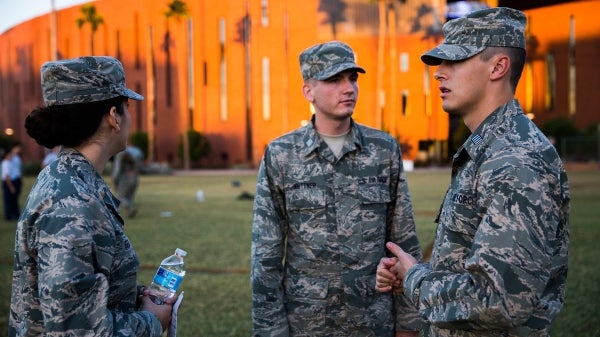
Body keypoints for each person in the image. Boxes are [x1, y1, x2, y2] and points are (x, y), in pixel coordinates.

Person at [375, 7, 571, 337]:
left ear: (498, 67)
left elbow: (498, 300)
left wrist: (414, 279)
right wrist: (413, 274)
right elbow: (475, 267)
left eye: (455, 61)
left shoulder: (514, 160)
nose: (439, 73)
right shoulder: (491, 149)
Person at [251, 40, 423, 337]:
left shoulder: (382, 149)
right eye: (334, 80)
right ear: (308, 91)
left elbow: (404, 241)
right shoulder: (282, 154)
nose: (349, 88)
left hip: (373, 320)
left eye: (352, 78)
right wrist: (270, 330)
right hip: (308, 323)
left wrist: (408, 324)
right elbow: (266, 257)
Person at [9, 56, 174, 337]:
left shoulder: (72, 181)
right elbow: (75, 329)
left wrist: (132, 296)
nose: (130, 117)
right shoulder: (71, 203)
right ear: (113, 116)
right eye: (127, 107)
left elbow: (77, 289)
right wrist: (151, 321)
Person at [112, 144, 143, 217]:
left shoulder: (119, 155)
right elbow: (138, 167)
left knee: (121, 197)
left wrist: (115, 181)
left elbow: (117, 171)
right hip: (134, 179)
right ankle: (130, 212)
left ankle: (130, 208)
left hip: (125, 180)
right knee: (130, 197)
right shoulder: (132, 156)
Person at [2, 144, 21, 220]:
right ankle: (9, 215)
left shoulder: (8, 162)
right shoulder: (5, 163)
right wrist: (11, 186)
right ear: (7, 155)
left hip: (11, 182)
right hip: (8, 183)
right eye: (10, 155)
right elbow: (6, 177)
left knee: (13, 199)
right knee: (8, 199)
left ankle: (14, 213)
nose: (11, 157)